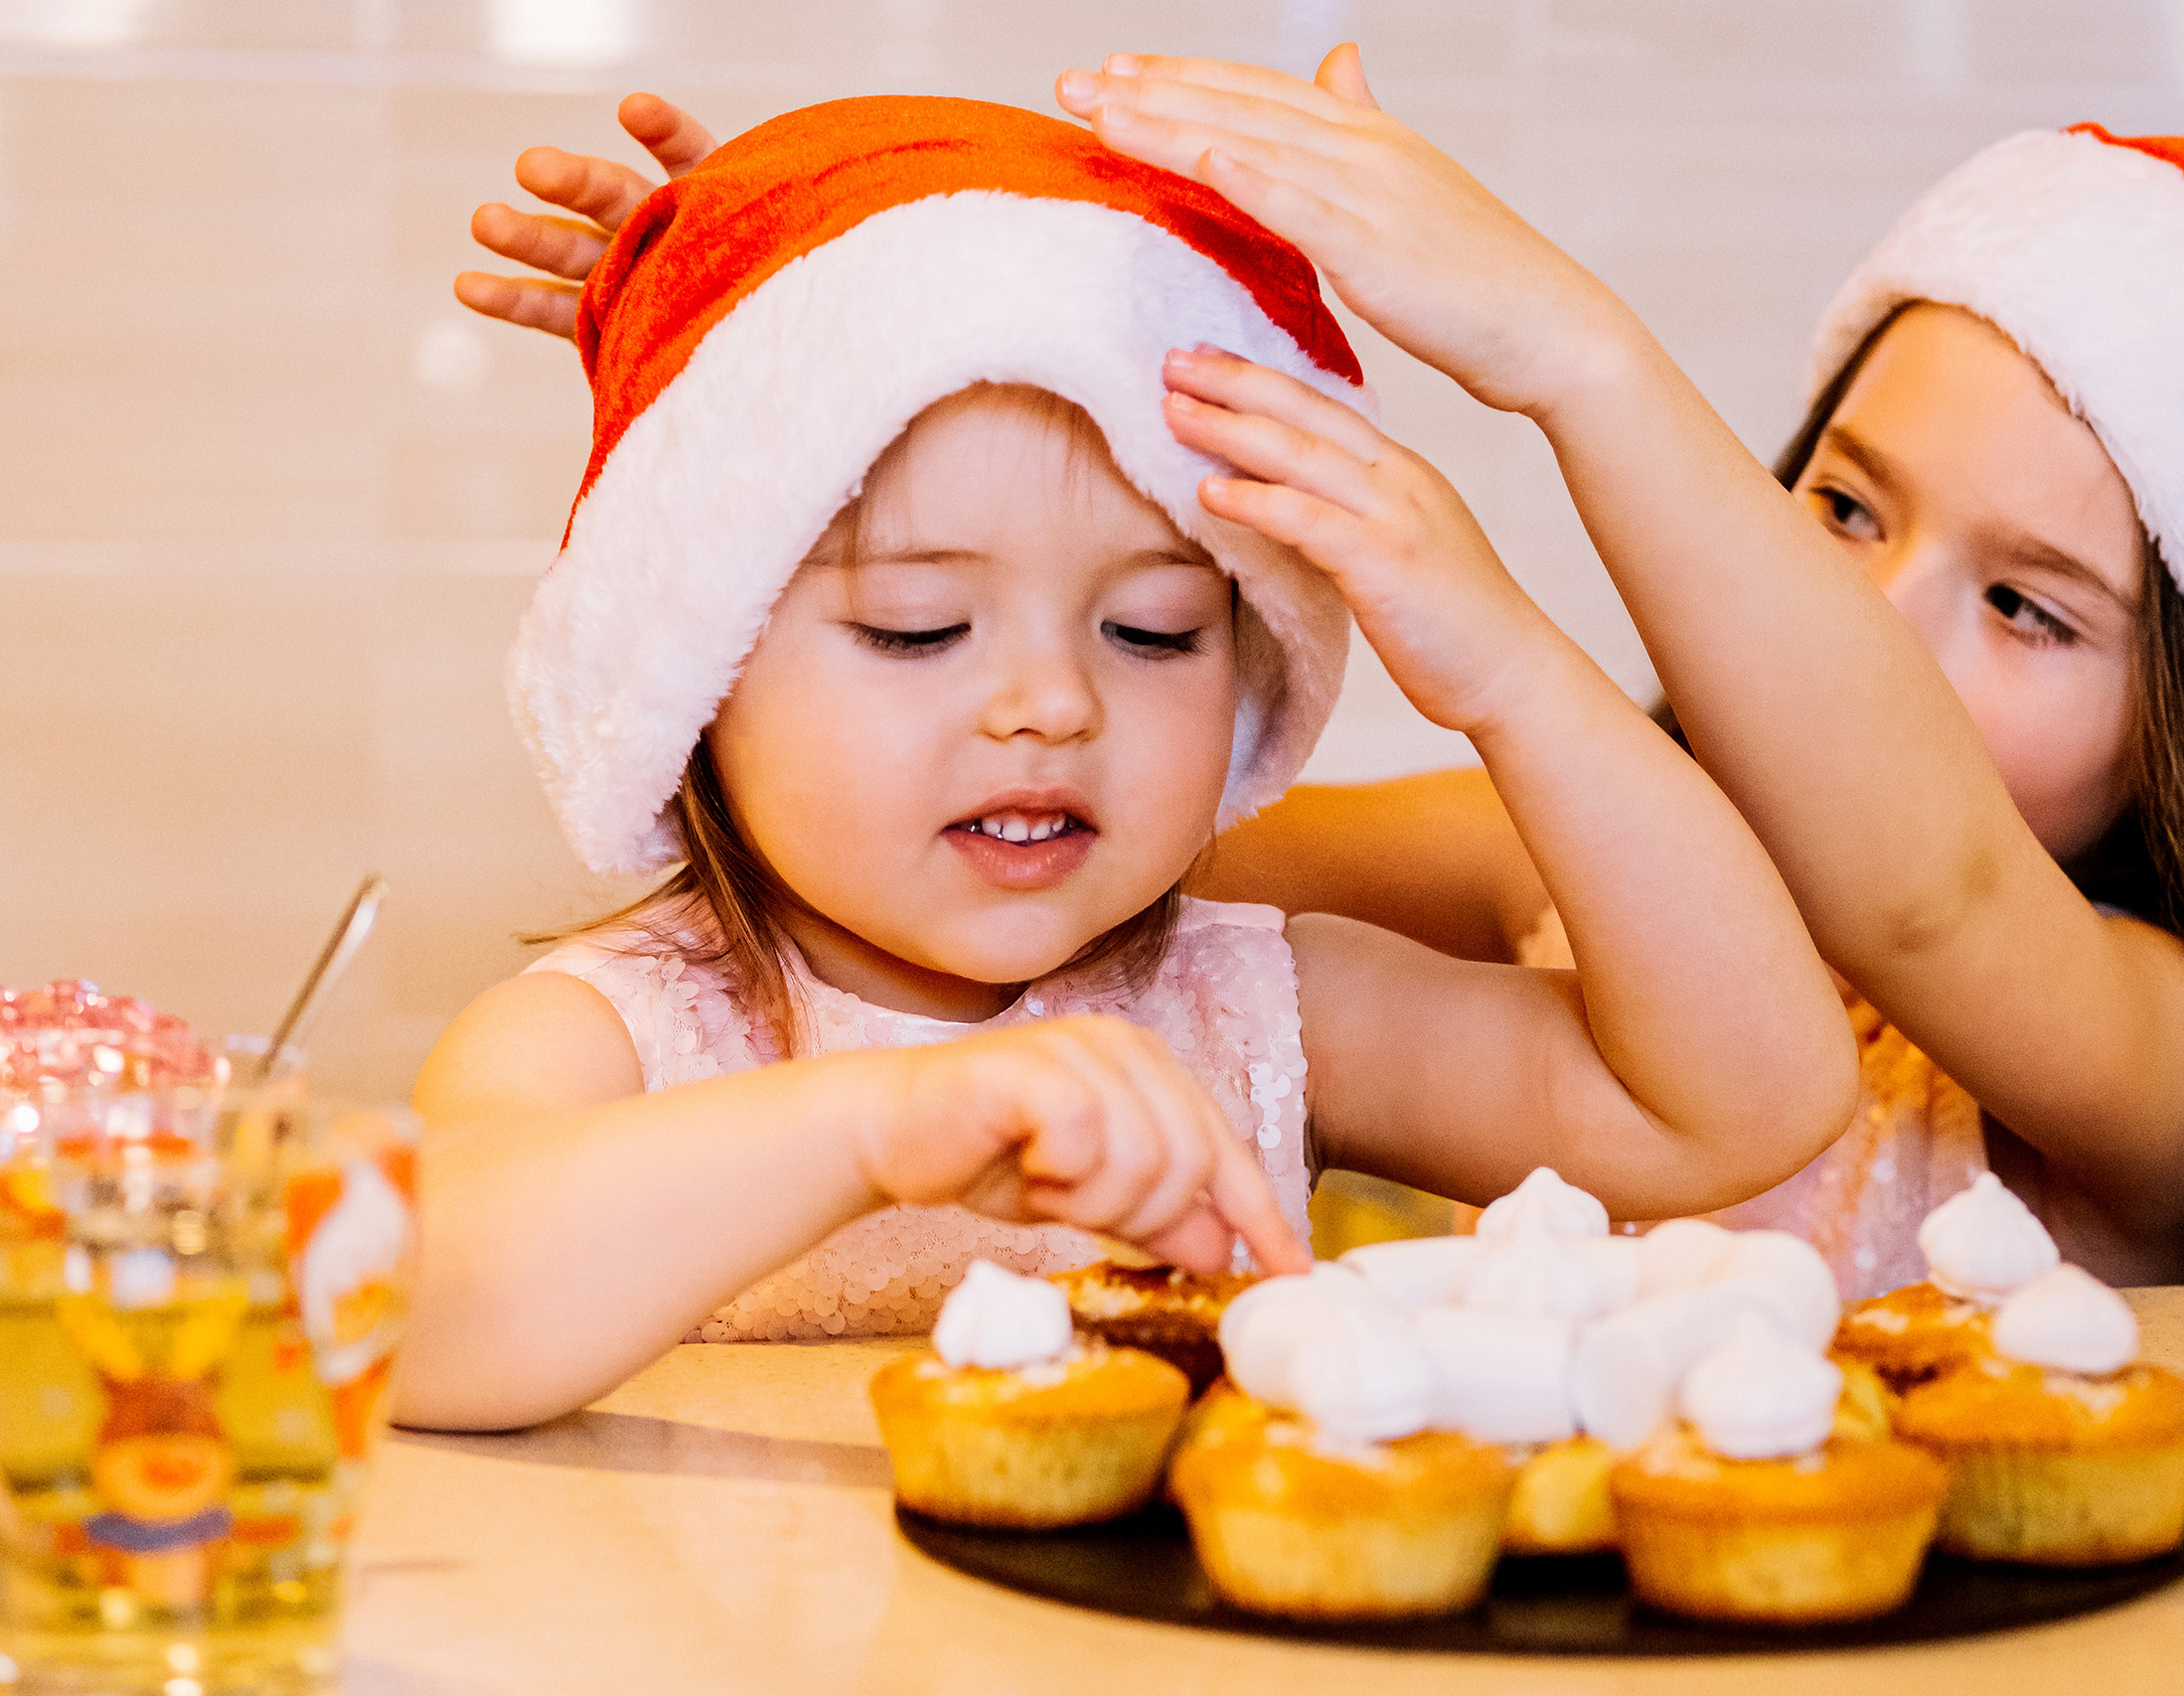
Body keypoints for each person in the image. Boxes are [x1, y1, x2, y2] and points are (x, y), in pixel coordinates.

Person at [460, 57, 2184, 1297]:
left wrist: (1563, 356)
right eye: (1837, 512)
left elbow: (1924, 892)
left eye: (2028, 607)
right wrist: (836, 351)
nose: (1877, 623)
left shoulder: (2174, 1052)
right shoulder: (1549, 856)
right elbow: (1065, 841)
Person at [407, 96, 1855, 1432]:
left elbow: (1740, 1104)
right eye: (921, 630)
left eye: (1154, 631)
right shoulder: (618, 1035)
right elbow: (405, 1317)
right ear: (695, 670)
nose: (1050, 705)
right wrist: (874, 1126)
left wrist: (1515, 677)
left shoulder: (1257, 1013)